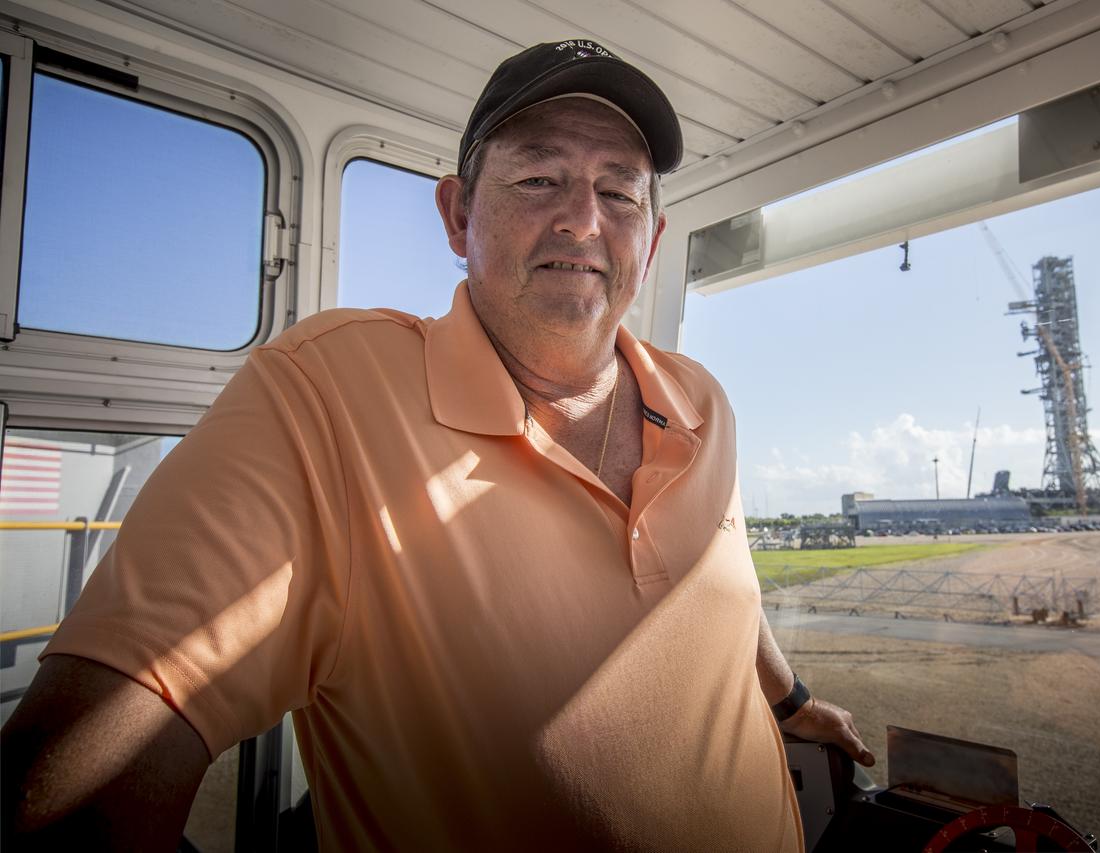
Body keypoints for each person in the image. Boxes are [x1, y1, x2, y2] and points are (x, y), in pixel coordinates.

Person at [1, 39, 873, 851]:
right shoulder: (322, 397)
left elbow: (722, 585)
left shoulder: (704, 403)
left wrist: (792, 701)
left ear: (651, 241)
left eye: (620, 191)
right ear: (457, 216)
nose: (583, 219)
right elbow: (78, 766)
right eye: (538, 177)